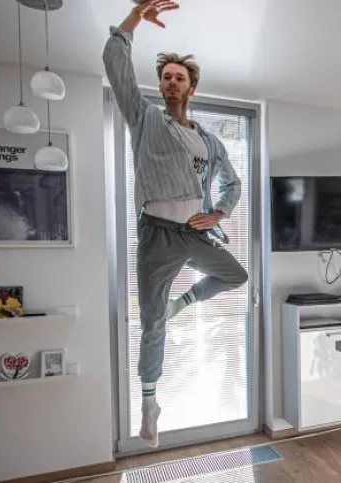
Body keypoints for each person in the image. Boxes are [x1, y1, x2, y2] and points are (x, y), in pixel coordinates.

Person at [102, 0, 248, 448]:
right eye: (165, 77)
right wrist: (134, 18)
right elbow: (114, 61)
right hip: (156, 236)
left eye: (178, 78)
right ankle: (150, 402)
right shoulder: (145, 119)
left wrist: (219, 213)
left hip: (196, 231)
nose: (170, 82)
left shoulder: (208, 140)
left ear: (191, 88)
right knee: (150, 323)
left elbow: (233, 185)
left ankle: (181, 302)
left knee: (236, 275)